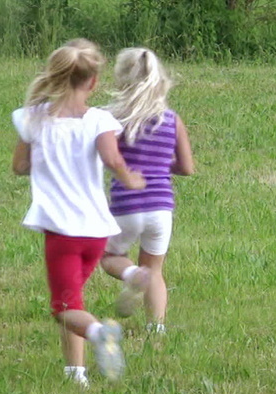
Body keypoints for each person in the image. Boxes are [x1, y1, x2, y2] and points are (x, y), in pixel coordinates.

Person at [11, 39, 146, 388]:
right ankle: (76, 374)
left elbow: (19, 167)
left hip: (62, 233)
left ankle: (101, 334)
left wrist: (40, 158)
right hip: (97, 232)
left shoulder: (33, 118)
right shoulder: (100, 120)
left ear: (53, 76)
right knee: (75, 300)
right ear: (93, 82)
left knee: (63, 309)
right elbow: (113, 160)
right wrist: (129, 177)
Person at [100, 47, 195, 335]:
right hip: (160, 208)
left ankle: (131, 274)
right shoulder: (172, 119)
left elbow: (105, 156)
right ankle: (156, 329)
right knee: (155, 270)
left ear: (122, 78)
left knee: (107, 256)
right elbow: (187, 168)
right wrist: (161, 166)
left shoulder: (111, 117)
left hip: (125, 206)